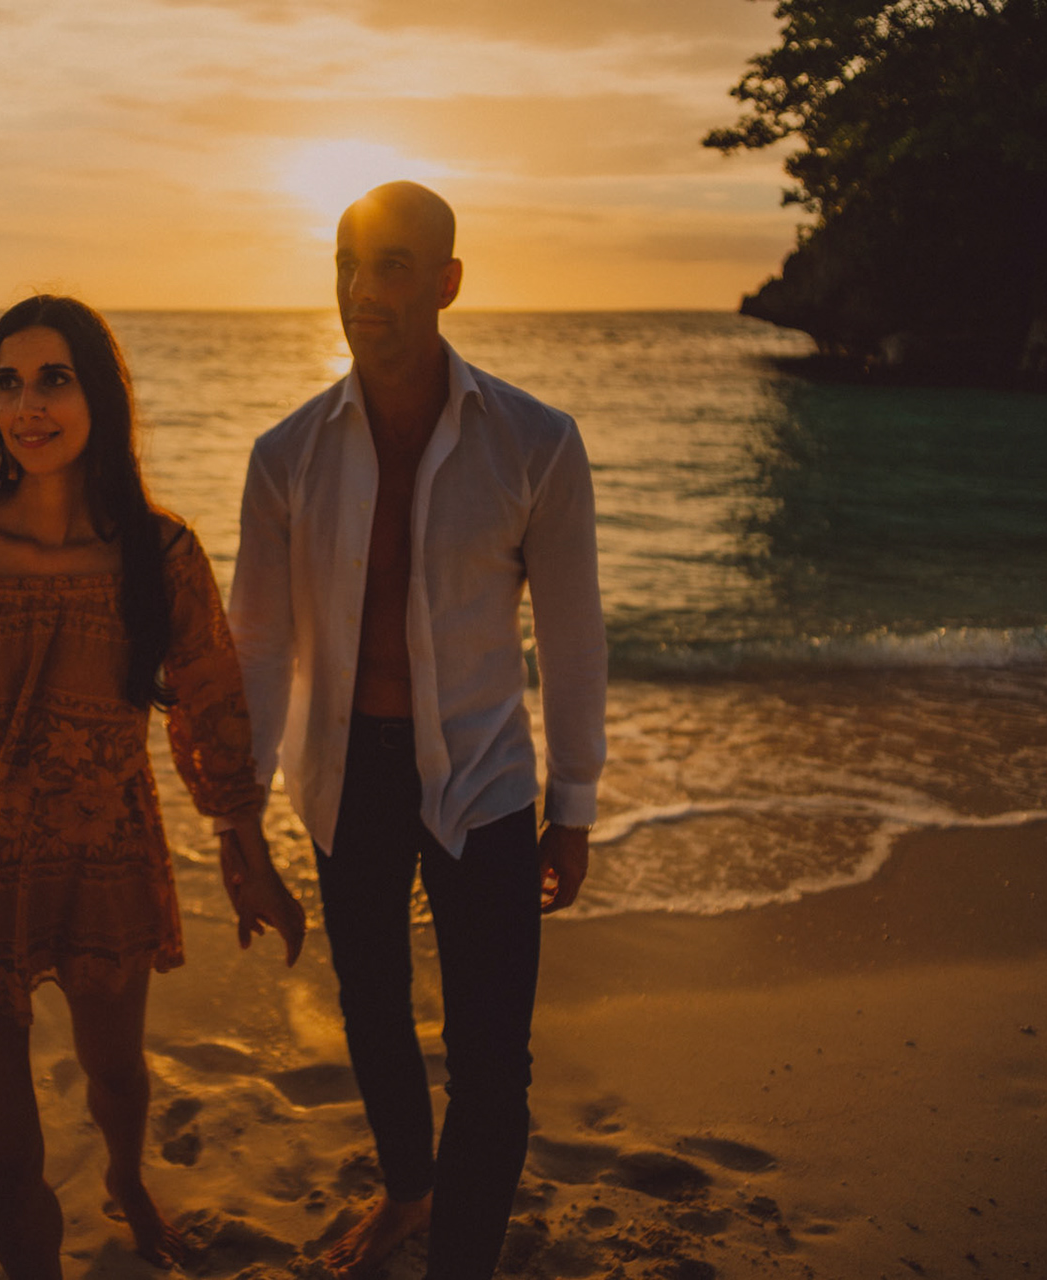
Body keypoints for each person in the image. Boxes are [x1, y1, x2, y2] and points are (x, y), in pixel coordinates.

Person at [0, 295, 306, 1279]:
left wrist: (248, 856)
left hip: (104, 857)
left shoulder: (159, 553)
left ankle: (127, 1178)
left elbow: (214, 709)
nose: (28, 406)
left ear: (100, 393)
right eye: (8, 383)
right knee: (5, 1163)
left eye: (54, 379)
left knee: (117, 1073)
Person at [225, 183, 607, 1279]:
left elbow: (573, 637)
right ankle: (408, 1189)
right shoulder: (287, 455)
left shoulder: (535, 443)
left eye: (391, 264)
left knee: (492, 1060)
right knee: (374, 1012)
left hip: (484, 779)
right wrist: (238, 821)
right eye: (348, 262)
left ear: (447, 282)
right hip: (345, 774)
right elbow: (260, 649)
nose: (361, 288)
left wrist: (573, 805)